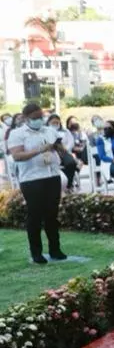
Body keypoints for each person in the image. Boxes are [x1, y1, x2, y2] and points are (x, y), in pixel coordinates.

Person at [7, 103, 67, 264]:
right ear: (26, 118)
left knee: (52, 215)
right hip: (32, 179)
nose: (39, 120)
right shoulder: (17, 134)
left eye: (41, 117)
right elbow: (17, 156)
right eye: (35, 118)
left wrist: (58, 147)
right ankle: (36, 252)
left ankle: (55, 249)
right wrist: (40, 150)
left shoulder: (49, 130)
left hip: (52, 175)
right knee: (35, 215)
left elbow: (62, 149)